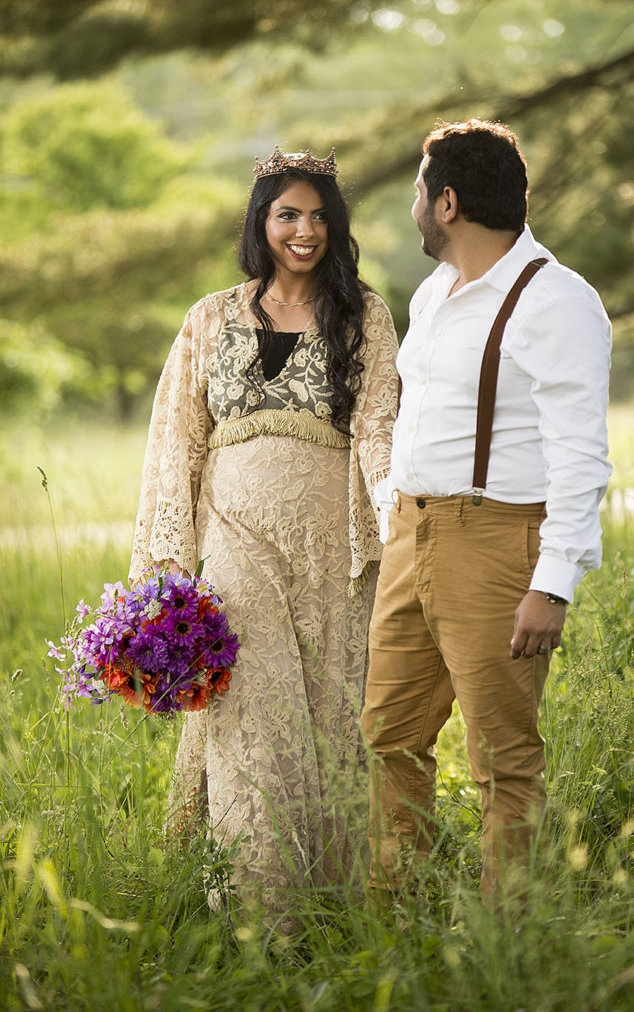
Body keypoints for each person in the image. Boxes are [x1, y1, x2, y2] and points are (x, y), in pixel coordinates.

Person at [130, 147, 399, 914]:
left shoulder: (366, 315)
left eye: (319, 216)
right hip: (232, 539)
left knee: (327, 713)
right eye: (288, 214)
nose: (304, 231)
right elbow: (176, 437)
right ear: (262, 221)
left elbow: (379, 427)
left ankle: (337, 904)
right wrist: (166, 563)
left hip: (330, 551)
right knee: (250, 713)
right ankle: (257, 911)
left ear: (335, 225)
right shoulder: (210, 316)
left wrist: (397, 518)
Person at [360, 119, 612, 900]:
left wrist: (555, 579)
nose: (413, 206)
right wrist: (392, 517)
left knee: (503, 760)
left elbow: (581, 453)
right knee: (388, 738)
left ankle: (512, 942)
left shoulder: (558, 301)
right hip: (413, 532)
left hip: (498, 542)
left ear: (448, 204)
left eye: (417, 192)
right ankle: (403, 911)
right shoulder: (435, 294)